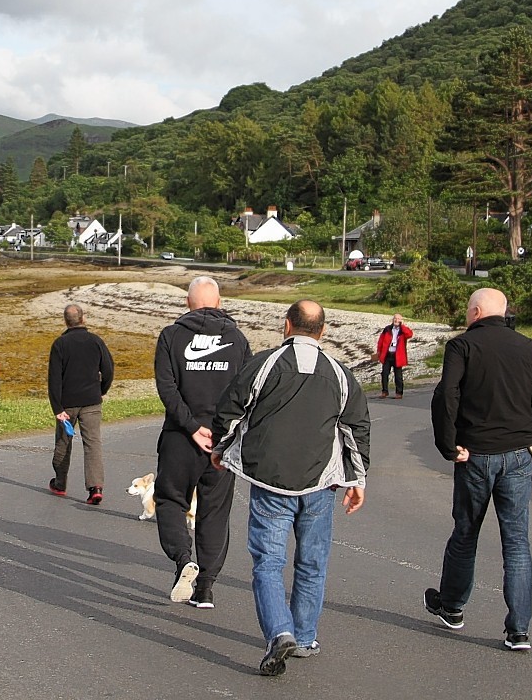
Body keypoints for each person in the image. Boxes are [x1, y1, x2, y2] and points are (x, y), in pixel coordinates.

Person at [212, 300, 370, 677]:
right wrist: (358, 479)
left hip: (270, 481)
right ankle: (304, 636)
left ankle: (279, 632)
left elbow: (230, 411)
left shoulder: (264, 364)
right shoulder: (340, 372)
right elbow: (356, 428)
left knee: (268, 563)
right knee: (312, 563)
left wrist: (221, 450)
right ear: (323, 331)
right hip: (321, 483)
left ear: (286, 326)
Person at [425, 287, 532, 651]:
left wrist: (448, 445)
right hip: (519, 455)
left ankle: (453, 607)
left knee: (465, 533)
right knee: (517, 542)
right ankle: (519, 630)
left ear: (475, 312)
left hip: (475, 455)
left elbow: (447, 394)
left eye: (467, 310)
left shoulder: (462, 347)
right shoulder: (529, 347)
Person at [153, 276, 252, 609]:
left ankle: (183, 559)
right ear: (220, 303)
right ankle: (205, 588)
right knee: (215, 512)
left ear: (187, 303)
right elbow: (245, 393)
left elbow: (167, 389)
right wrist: (226, 431)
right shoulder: (237, 340)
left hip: (181, 436)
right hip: (221, 441)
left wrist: (192, 426)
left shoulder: (171, 336)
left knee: (170, 500)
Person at [47, 303, 115, 504]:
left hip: (67, 404)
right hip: (92, 401)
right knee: (92, 444)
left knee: (63, 443)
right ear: (83, 319)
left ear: (65, 321)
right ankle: (95, 488)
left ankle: (60, 483)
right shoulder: (95, 341)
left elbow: (54, 379)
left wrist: (57, 408)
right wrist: (101, 390)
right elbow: (109, 369)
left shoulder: (59, 344)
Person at [375, 312, 413, 399]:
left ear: (401, 320)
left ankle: (399, 392)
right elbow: (381, 340)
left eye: (398, 319)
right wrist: (378, 351)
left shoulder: (403, 330)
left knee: (398, 375)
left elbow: (409, 334)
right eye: (395, 318)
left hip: (397, 355)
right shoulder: (387, 329)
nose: (396, 320)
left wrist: (402, 326)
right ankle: (384, 391)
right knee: (384, 373)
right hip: (388, 354)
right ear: (392, 320)